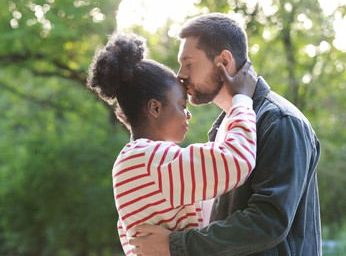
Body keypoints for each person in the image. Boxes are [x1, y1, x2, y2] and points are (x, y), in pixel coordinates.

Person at [130, 13, 322, 255]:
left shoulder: (279, 121)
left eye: (189, 64)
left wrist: (175, 245)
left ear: (223, 60)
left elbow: (268, 221)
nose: (180, 75)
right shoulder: (224, 128)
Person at [86, 32, 259, 255]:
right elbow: (236, 160)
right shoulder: (148, 160)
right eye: (181, 105)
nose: (188, 115)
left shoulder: (133, 162)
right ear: (155, 108)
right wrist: (242, 100)